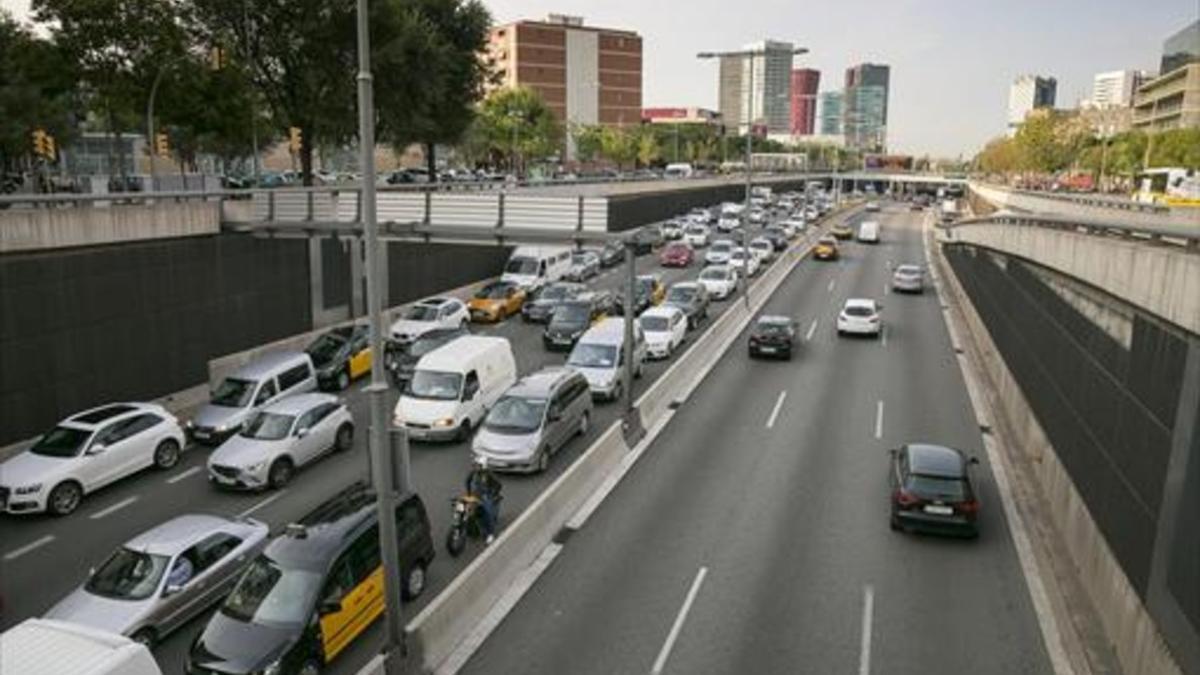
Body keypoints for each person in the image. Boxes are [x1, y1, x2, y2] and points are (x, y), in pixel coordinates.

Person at [465, 456, 502, 545]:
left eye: (478, 465)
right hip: (474, 495)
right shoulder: (473, 473)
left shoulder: (489, 474)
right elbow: (467, 481)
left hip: (485, 496)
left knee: (488, 513)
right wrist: (469, 493)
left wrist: (492, 494)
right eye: (475, 465)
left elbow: (498, 485)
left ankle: (490, 534)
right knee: (466, 510)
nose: (476, 467)